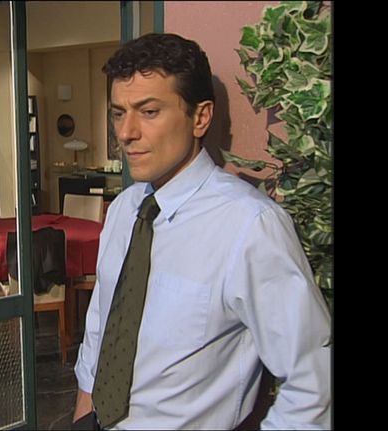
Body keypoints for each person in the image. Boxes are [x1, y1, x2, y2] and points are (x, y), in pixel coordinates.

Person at [71, 33, 331, 430]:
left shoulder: (250, 226)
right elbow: (101, 326)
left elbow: (314, 381)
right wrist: (84, 412)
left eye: (149, 111)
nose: (125, 133)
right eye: (119, 113)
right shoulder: (124, 210)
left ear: (201, 117)